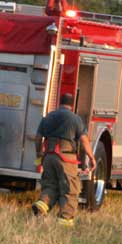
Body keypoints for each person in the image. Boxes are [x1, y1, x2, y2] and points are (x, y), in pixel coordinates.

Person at [32, 93, 95, 225]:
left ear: (59, 103)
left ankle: (42, 204)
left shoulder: (48, 117)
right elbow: (84, 141)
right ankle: (65, 220)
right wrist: (91, 158)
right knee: (70, 189)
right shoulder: (75, 119)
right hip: (66, 157)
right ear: (72, 105)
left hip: (49, 156)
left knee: (50, 184)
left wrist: (39, 154)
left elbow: (37, 138)